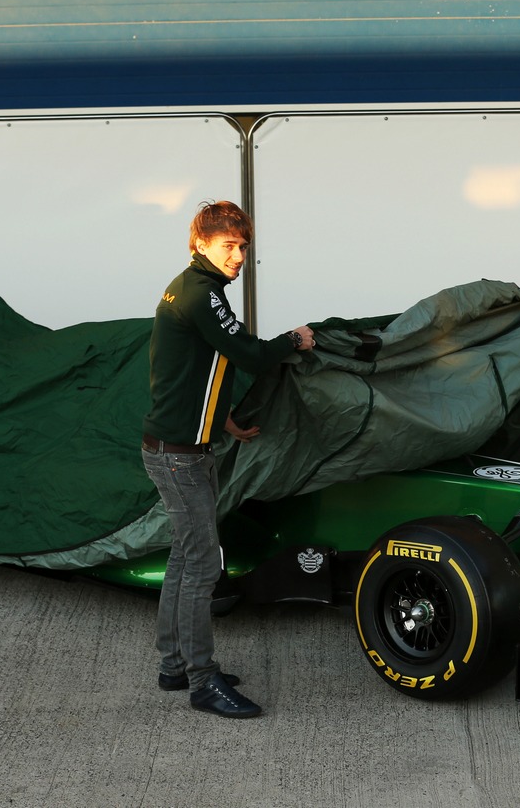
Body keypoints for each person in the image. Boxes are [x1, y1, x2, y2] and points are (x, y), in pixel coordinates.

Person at [141, 200, 314, 719]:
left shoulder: (193, 286)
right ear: (200, 244)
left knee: (185, 555)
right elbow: (250, 354)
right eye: (227, 246)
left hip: (178, 447)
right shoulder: (201, 294)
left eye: (243, 246)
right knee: (201, 566)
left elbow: (197, 369)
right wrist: (295, 340)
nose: (238, 256)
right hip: (179, 457)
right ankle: (201, 680)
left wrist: (224, 420)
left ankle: (173, 664)